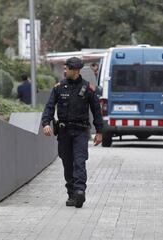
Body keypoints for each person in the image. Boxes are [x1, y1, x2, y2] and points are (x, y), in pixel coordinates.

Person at [42, 57, 103, 208]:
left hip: (81, 131)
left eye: (67, 69)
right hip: (64, 132)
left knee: (80, 161)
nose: (64, 71)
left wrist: (100, 131)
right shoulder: (59, 87)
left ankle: (80, 191)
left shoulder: (88, 89)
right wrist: (46, 123)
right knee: (67, 163)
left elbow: (97, 111)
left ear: (75, 71)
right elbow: (49, 107)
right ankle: (71, 193)